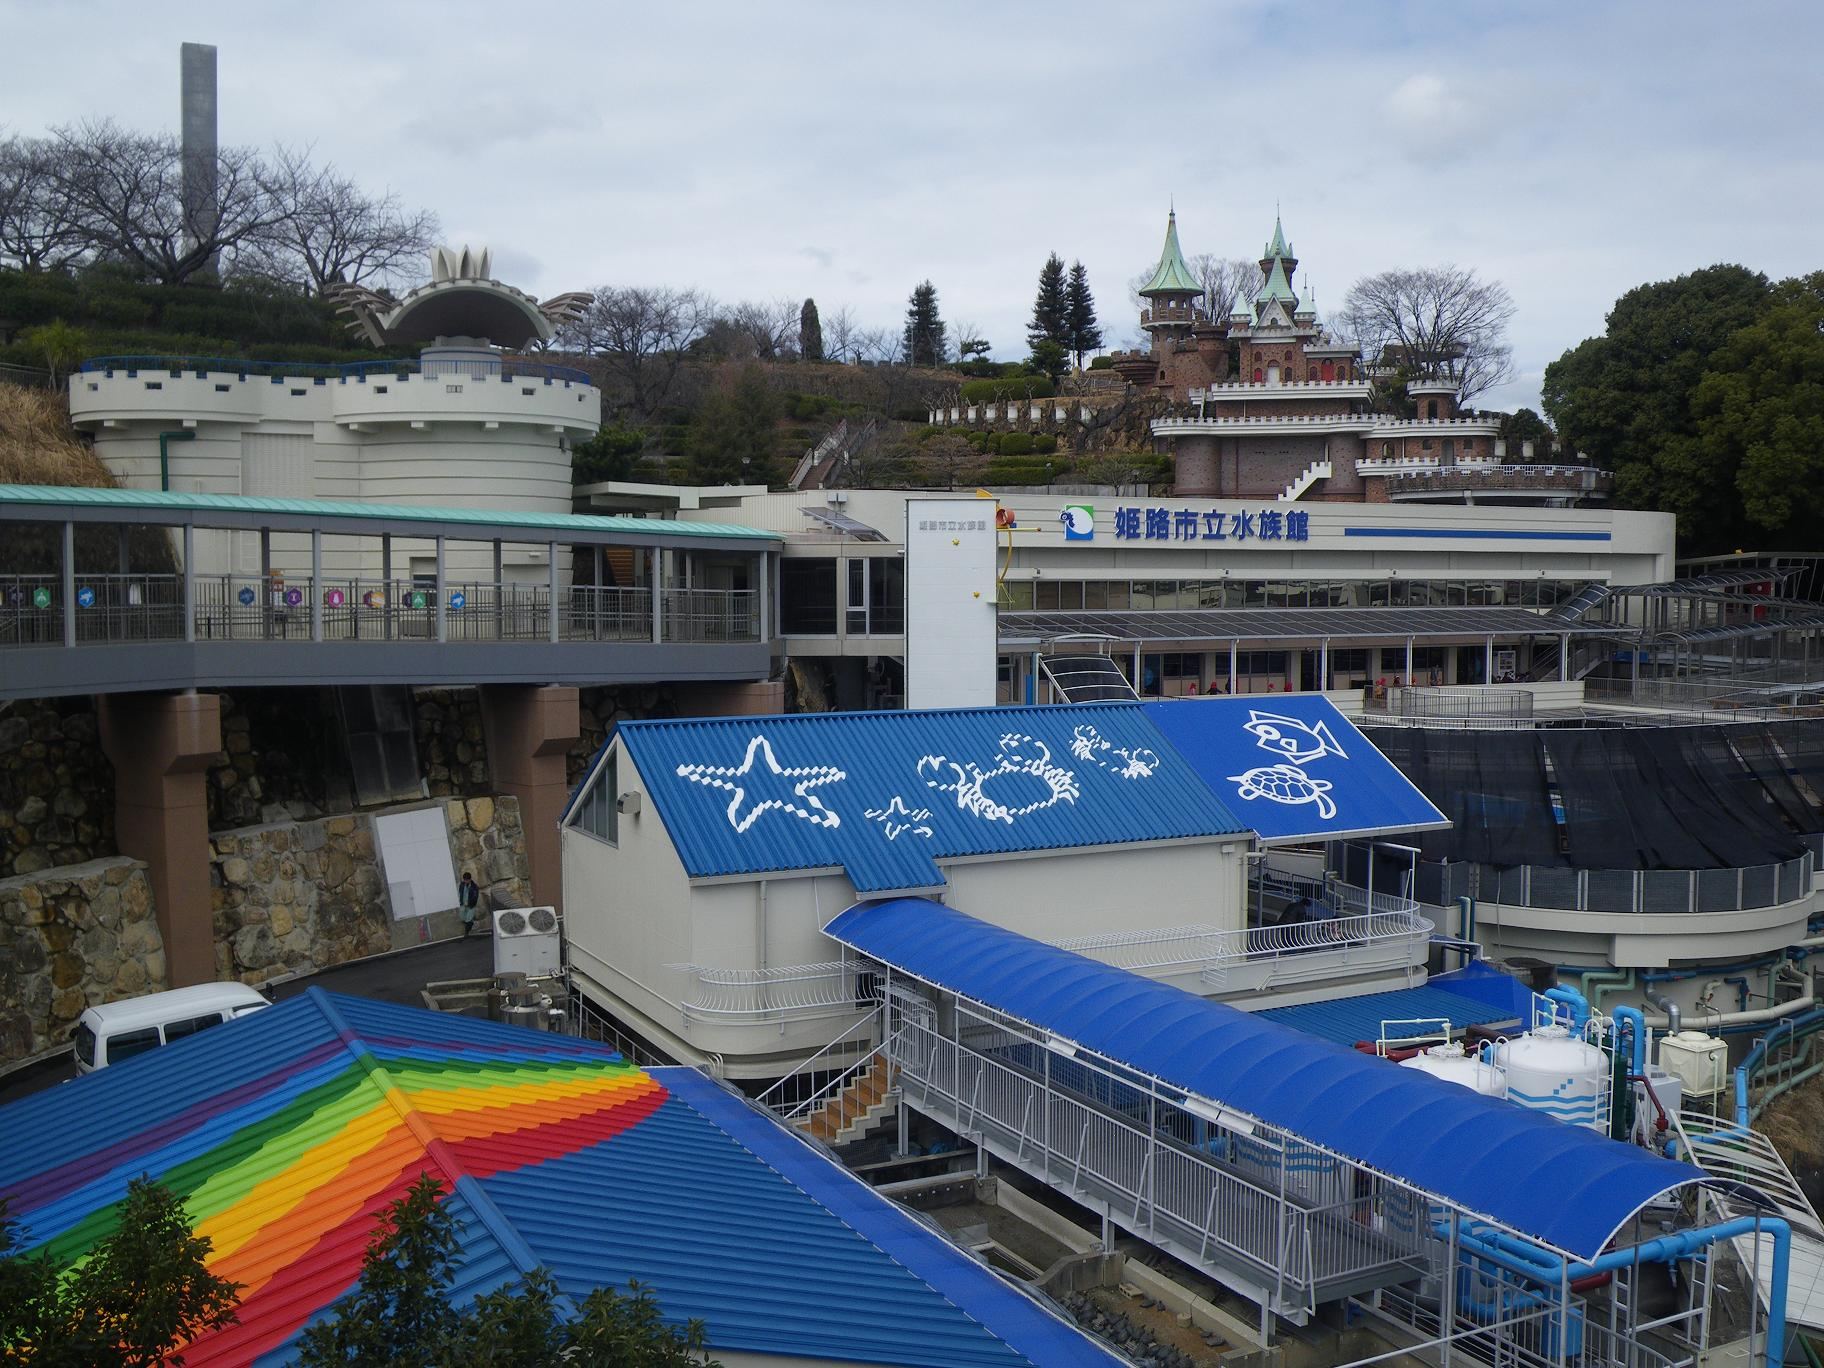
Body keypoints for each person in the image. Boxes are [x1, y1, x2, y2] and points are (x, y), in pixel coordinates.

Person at [458, 871, 480, 936]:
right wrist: (461, 901)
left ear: (470, 879)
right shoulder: (462, 885)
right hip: (463, 904)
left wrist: (471, 903)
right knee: (463, 918)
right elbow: (460, 893)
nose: (465, 881)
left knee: (468, 919)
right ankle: (472, 924)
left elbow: (475, 897)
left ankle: (466, 933)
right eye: (464, 880)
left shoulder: (474, 887)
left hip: (471, 905)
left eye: (467, 880)